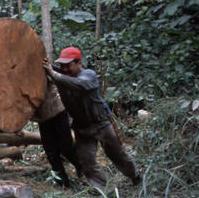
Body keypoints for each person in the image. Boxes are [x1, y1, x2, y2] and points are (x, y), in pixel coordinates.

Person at [43, 46, 142, 190]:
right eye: (62, 66)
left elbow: (78, 84)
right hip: (81, 127)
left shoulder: (88, 75)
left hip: (101, 124)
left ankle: (135, 176)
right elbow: (53, 71)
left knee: (118, 155)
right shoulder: (61, 75)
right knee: (87, 162)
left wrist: (54, 74)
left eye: (68, 66)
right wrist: (45, 65)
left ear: (79, 63)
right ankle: (106, 190)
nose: (64, 69)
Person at [31, 81, 83, 188]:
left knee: (67, 148)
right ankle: (63, 183)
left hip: (57, 111)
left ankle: (83, 169)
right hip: (43, 117)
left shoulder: (43, 67)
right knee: (51, 153)